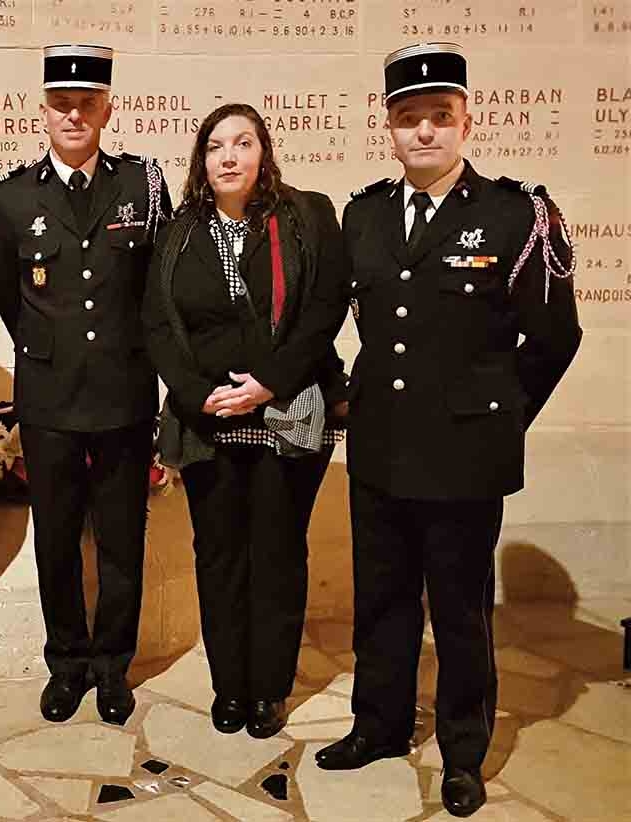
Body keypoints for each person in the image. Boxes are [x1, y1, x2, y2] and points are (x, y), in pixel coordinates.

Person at [315, 43, 582, 818]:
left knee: (461, 612)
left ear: (468, 120)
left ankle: (464, 752)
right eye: (408, 119)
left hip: (465, 458)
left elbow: (554, 337)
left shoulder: (513, 213)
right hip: (381, 448)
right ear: (388, 129)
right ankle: (379, 726)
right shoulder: (363, 214)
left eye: (439, 116)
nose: (424, 132)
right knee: (383, 601)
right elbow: (330, 322)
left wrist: (497, 420)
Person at [143, 103, 350, 739]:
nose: (229, 157)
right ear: (201, 161)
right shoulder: (178, 231)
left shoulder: (308, 216)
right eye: (216, 146)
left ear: (264, 153)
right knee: (220, 557)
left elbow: (325, 306)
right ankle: (230, 687)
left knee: (277, 554)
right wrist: (198, 393)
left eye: (243, 143)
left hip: (286, 416)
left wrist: (268, 384)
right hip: (209, 423)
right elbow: (154, 319)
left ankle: (269, 690)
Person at [0, 44, 171, 725]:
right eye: (62, 104)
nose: (74, 115)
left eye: (87, 104)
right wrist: (49, 347)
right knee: (56, 539)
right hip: (50, 399)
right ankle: (67, 662)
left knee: (122, 540)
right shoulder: (9, 198)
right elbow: (4, 292)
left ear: (106, 110)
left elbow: (157, 289)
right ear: (44, 112)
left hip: (123, 395)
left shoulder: (142, 185)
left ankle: (113, 665)